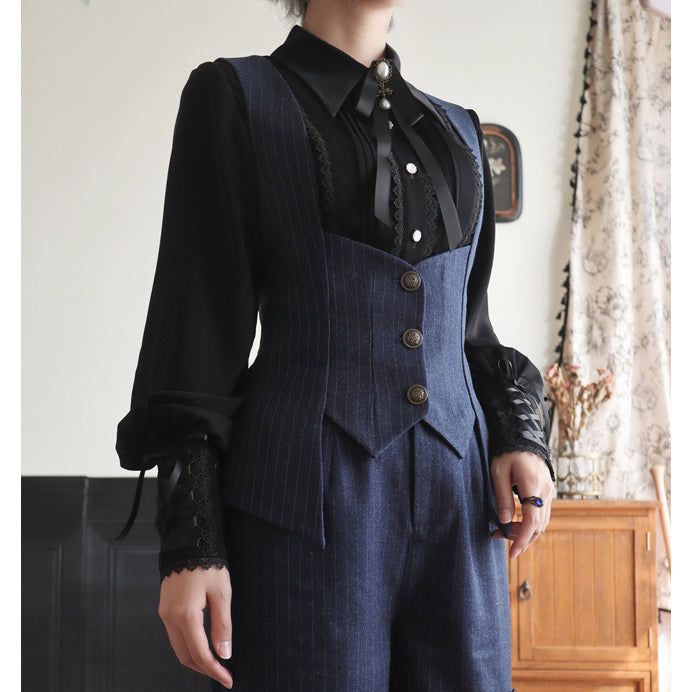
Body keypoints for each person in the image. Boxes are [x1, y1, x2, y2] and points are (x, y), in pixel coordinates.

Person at [115, 0, 555, 689]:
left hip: (459, 518)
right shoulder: (235, 97)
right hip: (301, 508)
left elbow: (468, 329)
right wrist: (191, 542)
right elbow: (196, 326)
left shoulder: (461, 133)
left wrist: (518, 436)